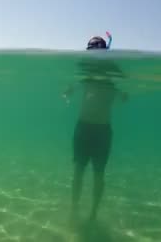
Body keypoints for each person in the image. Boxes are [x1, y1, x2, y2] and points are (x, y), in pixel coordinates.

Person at [63, 33, 128, 222]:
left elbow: (123, 89)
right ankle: (74, 210)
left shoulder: (112, 71)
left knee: (98, 174)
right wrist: (67, 93)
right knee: (78, 172)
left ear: (104, 51)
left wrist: (120, 92)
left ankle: (93, 214)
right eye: (91, 51)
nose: (94, 55)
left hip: (102, 131)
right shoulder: (84, 68)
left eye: (97, 51)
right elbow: (72, 85)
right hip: (83, 129)